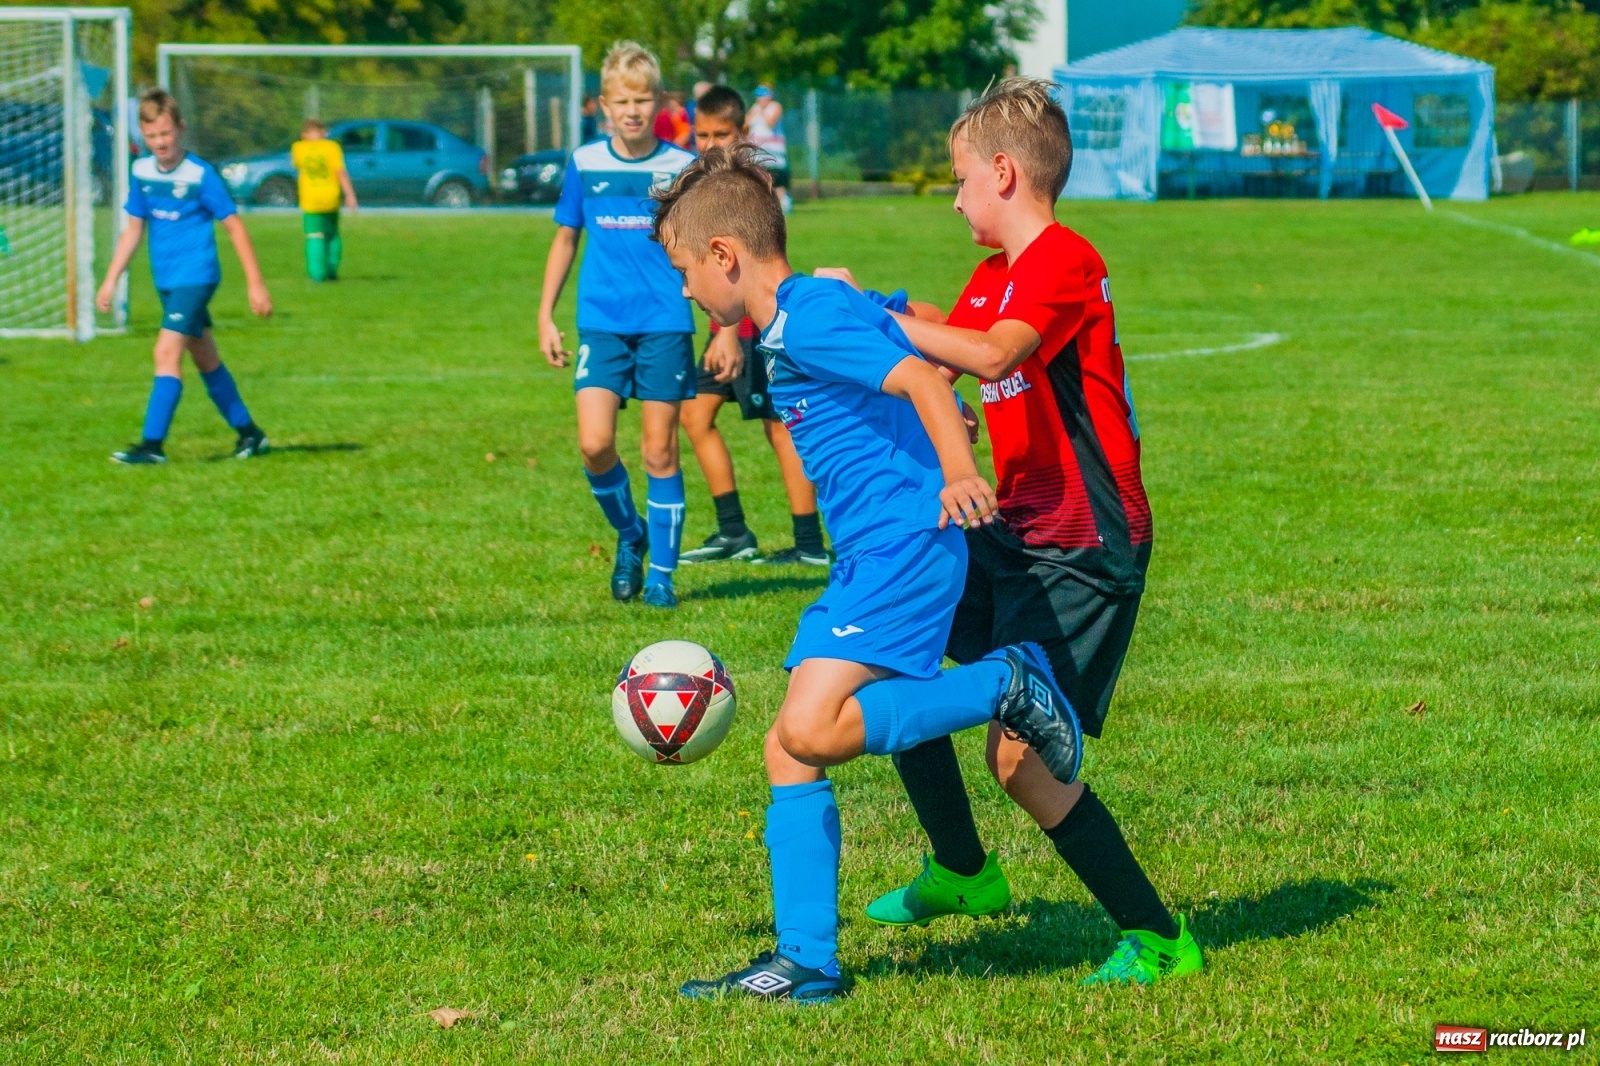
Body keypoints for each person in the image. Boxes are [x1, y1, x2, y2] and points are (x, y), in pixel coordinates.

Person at [655, 145, 1085, 1003]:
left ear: (724, 257)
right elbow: (905, 324)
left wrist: (960, 468)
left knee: (812, 731)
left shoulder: (808, 316)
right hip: (871, 559)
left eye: (685, 272)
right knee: (787, 748)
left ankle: (1005, 684)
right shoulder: (805, 314)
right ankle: (807, 960)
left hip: (904, 551)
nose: (686, 293)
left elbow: (923, 376)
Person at [839, 78, 1204, 987]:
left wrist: (885, 319)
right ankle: (964, 871)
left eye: (961, 180)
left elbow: (994, 353)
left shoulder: (1062, 258)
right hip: (1016, 526)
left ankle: (1157, 934)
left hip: (1084, 546)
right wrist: (855, 305)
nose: (955, 197)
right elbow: (940, 343)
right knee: (893, 647)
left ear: (1004, 173)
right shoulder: (997, 273)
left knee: (1019, 759)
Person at [537, 42, 698, 609]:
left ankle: (662, 577)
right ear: (603, 105)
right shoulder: (585, 163)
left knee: (660, 451)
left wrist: (723, 327)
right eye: (622, 100)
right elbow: (565, 237)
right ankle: (632, 535)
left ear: (658, 101)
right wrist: (545, 314)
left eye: (643, 99)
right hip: (600, 322)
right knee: (594, 443)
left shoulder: (680, 167)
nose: (632, 110)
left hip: (664, 323)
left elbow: (702, 247)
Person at [676, 86, 828, 567]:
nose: (710, 143)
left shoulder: (750, 182)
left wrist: (728, 335)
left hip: (751, 326)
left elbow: (743, 267)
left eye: (721, 133)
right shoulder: (702, 180)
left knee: (779, 427)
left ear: (741, 132)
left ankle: (808, 545)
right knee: (695, 417)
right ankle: (733, 531)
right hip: (723, 322)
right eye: (702, 134)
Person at [95, 88, 272, 466]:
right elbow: (133, 230)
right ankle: (250, 434)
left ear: (180, 128)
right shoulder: (141, 171)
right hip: (169, 280)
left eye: (166, 134)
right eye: (152, 136)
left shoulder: (200, 175)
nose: (160, 143)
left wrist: (255, 284)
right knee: (205, 358)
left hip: (196, 276)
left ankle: (152, 445)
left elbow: (236, 228)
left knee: (165, 352)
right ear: (142, 135)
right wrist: (111, 279)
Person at [290, 118, 358, 283]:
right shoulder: (332, 148)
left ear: (304, 135)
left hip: (310, 199)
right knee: (332, 234)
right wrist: (350, 194)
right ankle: (332, 270)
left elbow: (297, 166)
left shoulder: (298, 148)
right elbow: (340, 172)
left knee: (314, 235)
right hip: (331, 197)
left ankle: (317, 274)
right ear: (324, 132)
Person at [745, 85, 792, 214]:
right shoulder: (754, 109)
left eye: (764, 94)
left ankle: (785, 205)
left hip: (774, 152)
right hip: (758, 152)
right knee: (760, 179)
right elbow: (746, 125)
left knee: (778, 181)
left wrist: (761, 111)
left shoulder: (775, 107)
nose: (761, 98)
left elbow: (770, 122)